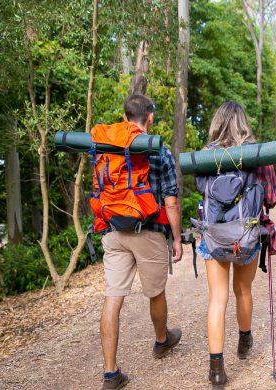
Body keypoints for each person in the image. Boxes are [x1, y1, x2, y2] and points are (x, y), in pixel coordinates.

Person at [99, 94, 184, 390]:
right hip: (148, 231)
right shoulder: (158, 151)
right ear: (149, 118)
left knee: (113, 296)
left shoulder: (107, 147)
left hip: (112, 231)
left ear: (124, 118)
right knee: (155, 291)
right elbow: (170, 200)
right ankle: (162, 341)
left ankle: (110, 373)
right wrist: (176, 238)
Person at [196, 101, 276, 388]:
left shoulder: (205, 156)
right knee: (242, 289)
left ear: (217, 123)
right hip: (247, 235)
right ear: (244, 123)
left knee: (217, 298)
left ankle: (216, 371)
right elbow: (271, 198)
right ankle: (244, 341)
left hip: (213, 236)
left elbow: (199, 189)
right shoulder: (257, 154)